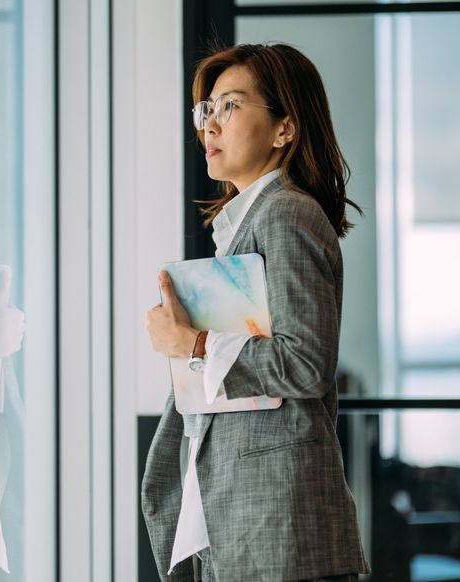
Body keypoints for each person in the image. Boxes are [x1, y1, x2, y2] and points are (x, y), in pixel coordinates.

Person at [143, 43, 370, 582]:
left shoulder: (286, 213)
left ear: (284, 128)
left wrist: (194, 344)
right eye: (207, 110)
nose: (210, 126)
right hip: (243, 516)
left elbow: (306, 363)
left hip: (277, 525)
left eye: (231, 106)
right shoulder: (247, 225)